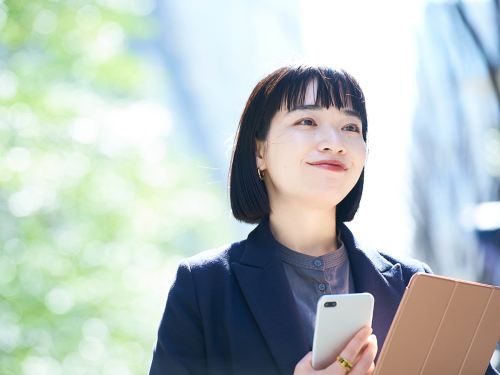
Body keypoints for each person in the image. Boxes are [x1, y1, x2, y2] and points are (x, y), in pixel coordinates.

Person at [149, 62, 499, 375]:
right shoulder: (204, 285)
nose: (335, 143)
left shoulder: (414, 283)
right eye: (307, 121)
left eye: (350, 127)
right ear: (259, 151)